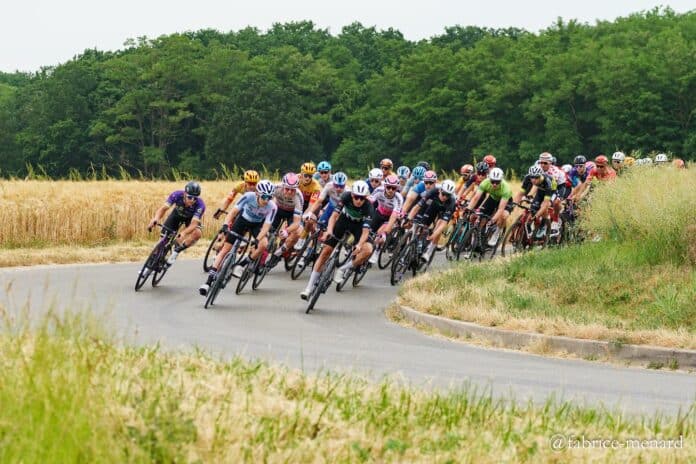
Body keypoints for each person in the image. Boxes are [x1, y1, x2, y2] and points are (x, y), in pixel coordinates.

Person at [199, 180, 277, 296]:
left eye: (269, 197)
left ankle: (242, 264)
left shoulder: (272, 207)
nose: (266, 200)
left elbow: (266, 227)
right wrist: (225, 225)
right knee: (225, 250)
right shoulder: (248, 196)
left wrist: (257, 240)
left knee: (263, 244)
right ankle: (208, 282)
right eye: (264, 196)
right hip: (242, 220)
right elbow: (233, 212)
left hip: (257, 225)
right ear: (257, 194)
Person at [300, 181, 374, 299]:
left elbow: (365, 232)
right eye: (356, 197)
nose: (359, 200)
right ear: (352, 195)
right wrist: (329, 231)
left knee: (368, 250)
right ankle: (308, 288)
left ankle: (343, 269)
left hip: (358, 227)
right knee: (325, 252)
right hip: (343, 221)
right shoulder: (345, 196)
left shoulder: (369, 207)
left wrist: (359, 245)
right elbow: (334, 216)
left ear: (365, 197)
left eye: (362, 198)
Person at [147, 181, 205, 266]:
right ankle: (152, 262)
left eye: (195, 198)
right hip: (177, 215)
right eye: (190, 197)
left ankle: (177, 251)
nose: (192, 200)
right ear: (185, 194)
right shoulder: (177, 195)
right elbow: (163, 209)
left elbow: (194, 224)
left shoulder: (200, 205)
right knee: (162, 240)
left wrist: (184, 233)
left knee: (197, 233)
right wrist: (156, 219)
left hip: (190, 219)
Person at [407, 179, 457, 262]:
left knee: (438, 227)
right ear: (440, 190)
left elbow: (443, 224)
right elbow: (417, 207)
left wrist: (433, 236)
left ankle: (429, 252)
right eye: (443, 194)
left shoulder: (451, 201)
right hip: (434, 206)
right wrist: (409, 218)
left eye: (447, 195)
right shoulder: (433, 191)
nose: (444, 197)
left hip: (445, 210)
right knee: (423, 224)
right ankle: (419, 243)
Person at [464, 168, 513, 246]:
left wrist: (493, 220)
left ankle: (496, 233)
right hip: (493, 198)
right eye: (492, 181)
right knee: (480, 216)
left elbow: (500, 209)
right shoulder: (485, 182)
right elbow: (476, 198)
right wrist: (469, 208)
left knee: (503, 215)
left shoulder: (506, 188)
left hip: (506, 201)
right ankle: (477, 238)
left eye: (497, 182)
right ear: (489, 179)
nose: (494, 184)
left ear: (501, 180)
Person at [512, 165, 557, 239]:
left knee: (544, 207)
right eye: (532, 177)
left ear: (540, 176)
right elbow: (520, 194)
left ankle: (543, 225)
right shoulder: (527, 178)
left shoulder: (547, 182)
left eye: (536, 177)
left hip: (551, 191)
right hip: (540, 190)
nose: (533, 180)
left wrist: (537, 215)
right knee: (533, 209)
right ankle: (529, 229)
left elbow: (545, 204)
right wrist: (513, 205)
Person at [367, 174, 404, 263]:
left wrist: (386, 231)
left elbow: (394, 216)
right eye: (388, 187)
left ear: (397, 188)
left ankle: (377, 250)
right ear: (385, 186)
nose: (391, 190)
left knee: (380, 234)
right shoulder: (379, 190)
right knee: (368, 232)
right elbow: (370, 202)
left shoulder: (398, 198)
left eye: (393, 188)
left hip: (390, 217)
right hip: (379, 213)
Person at [271, 173, 304, 257]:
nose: (289, 192)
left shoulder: (298, 197)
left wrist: (287, 231)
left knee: (297, 233)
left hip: (291, 213)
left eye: (292, 190)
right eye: (287, 189)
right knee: (268, 229)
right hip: (278, 209)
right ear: (283, 186)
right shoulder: (276, 188)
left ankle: (279, 253)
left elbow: (296, 223)